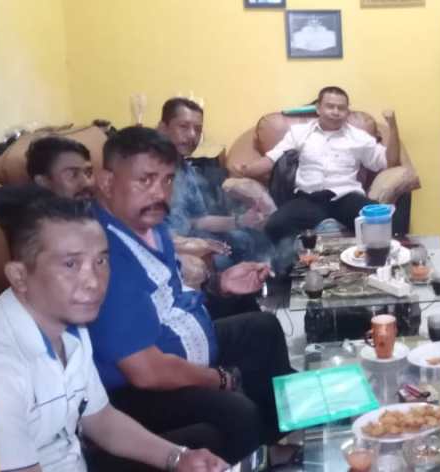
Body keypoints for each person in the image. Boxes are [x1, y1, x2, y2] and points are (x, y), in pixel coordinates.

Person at [87, 126, 297, 465]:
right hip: (136, 389)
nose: (160, 193)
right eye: (145, 180)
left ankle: (272, 446)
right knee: (237, 412)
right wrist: (218, 379)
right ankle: (251, 458)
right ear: (108, 182)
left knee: (263, 329)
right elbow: (147, 371)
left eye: (167, 179)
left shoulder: (150, 225)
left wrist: (219, 284)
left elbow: (172, 295)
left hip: (185, 346)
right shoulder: (102, 255)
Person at [0, 197, 227, 472]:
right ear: (19, 276)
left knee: (204, 444)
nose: (94, 282)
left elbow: (100, 419)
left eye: (101, 260)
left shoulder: (71, 327)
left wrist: (179, 458)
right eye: (71, 264)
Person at [240, 86, 400, 241]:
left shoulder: (359, 137)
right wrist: (247, 170)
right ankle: (298, 258)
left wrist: (393, 127)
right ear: (318, 109)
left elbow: (389, 161)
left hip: (346, 197)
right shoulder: (299, 133)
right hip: (308, 199)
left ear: (347, 112)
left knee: (382, 221)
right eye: (330, 106)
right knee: (274, 226)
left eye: (341, 108)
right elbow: (271, 159)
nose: (335, 112)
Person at [160, 97, 273, 271]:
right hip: (166, 248)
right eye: (183, 126)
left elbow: (199, 220)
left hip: (190, 236)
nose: (192, 135)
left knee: (247, 240)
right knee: (221, 259)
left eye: (198, 129)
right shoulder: (151, 170)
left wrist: (242, 220)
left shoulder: (186, 170)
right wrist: (194, 245)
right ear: (163, 128)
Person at [0, 136, 95, 227]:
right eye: (72, 174)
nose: (87, 183)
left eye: (88, 172)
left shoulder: (93, 199)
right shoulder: (36, 195)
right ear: (43, 181)